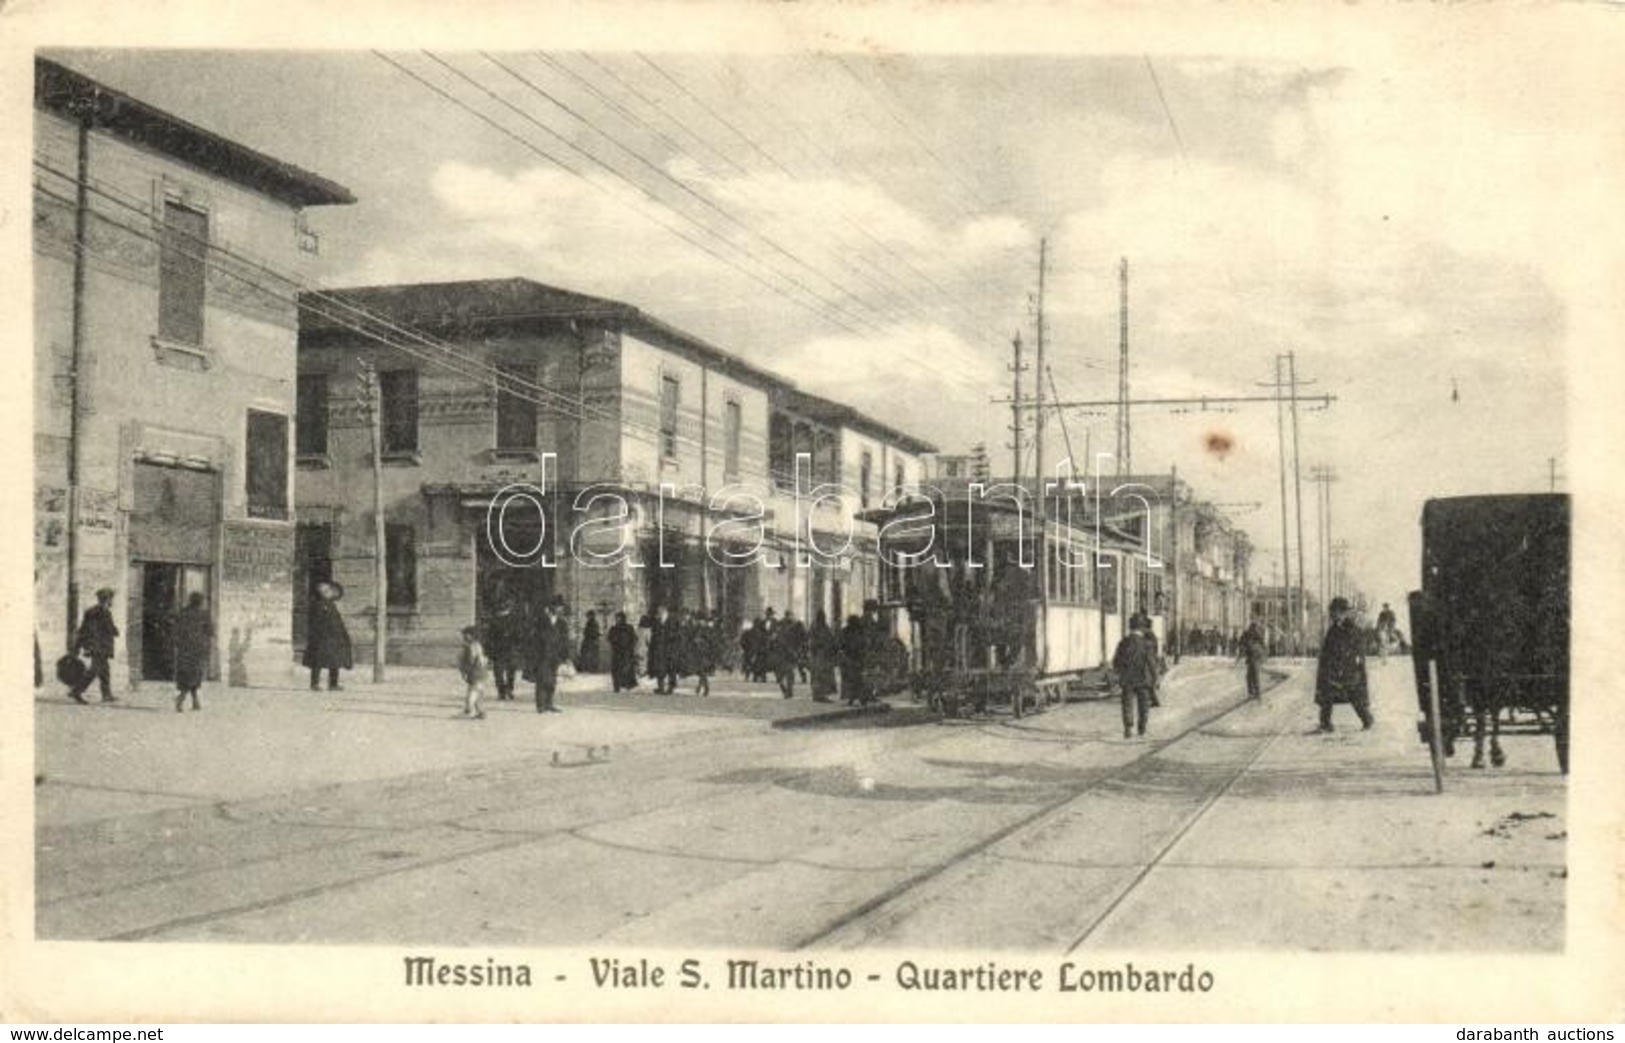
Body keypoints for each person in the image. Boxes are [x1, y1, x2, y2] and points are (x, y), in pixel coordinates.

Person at [1315, 596, 1373, 732]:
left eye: (1334, 612)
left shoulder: (1352, 629)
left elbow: (1355, 651)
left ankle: (1367, 719)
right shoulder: (1333, 629)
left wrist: (1344, 667)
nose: (1331, 614)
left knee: (1353, 695)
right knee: (1327, 693)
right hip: (1334, 670)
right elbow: (1328, 649)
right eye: (1331, 612)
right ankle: (1325, 723)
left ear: (1342, 612)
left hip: (1349, 670)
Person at [67, 587, 120, 704]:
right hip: (100, 646)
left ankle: (106, 694)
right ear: (107, 599)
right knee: (94, 670)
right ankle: (76, 691)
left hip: (96, 645)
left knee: (105, 670)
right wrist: (115, 631)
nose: (112, 602)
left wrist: (79, 645)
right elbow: (107, 629)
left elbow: (83, 629)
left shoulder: (92, 611)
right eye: (111, 599)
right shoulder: (103, 612)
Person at [1112, 617, 1159, 738]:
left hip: (1127, 678)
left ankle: (1128, 728)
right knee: (1143, 704)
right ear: (1142, 628)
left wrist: (1119, 673)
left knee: (1127, 703)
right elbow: (1151, 663)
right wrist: (1155, 678)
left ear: (1130, 627)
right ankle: (1142, 727)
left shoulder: (1123, 642)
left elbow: (1116, 661)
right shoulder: (1146, 644)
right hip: (1143, 678)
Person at [302, 581, 352, 692]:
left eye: (329, 590)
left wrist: (343, 635)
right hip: (322, 638)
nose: (329, 593)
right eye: (325, 591)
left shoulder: (331, 604)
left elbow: (338, 622)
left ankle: (333, 684)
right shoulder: (318, 605)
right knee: (317, 662)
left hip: (334, 638)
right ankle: (314, 684)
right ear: (321, 593)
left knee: (335, 662)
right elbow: (315, 623)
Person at [172, 592, 211, 712]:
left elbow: (175, 630)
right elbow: (210, 631)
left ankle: (195, 701)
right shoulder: (204, 614)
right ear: (199, 601)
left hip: (184, 648)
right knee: (195, 674)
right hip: (198, 648)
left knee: (187, 674)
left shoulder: (182, 613)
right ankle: (181, 697)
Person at [529, 600, 570, 714]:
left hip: (555, 656)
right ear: (552, 609)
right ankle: (541, 706)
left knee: (552, 680)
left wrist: (566, 656)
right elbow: (534, 640)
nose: (561, 610)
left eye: (561, 608)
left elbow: (565, 640)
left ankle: (549, 704)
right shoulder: (540, 622)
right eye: (559, 608)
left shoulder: (562, 623)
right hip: (542, 656)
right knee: (541, 680)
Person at [485, 600, 523, 701]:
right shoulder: (498, 620)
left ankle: (505, 691)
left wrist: (489, 652)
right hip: (506, 650)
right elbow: (490, 637)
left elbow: (490, 637)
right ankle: (506, 690)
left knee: (502, 672)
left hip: (505, 649)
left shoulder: (511, 620)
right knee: (505, 672)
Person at [646, 605, 680, 694]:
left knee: (671, 669)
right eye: (658, 612)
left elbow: (677, 635)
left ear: (665, 612)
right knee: (659, 668)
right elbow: (654, 635)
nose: (659, 613)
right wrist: (652, 646)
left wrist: (674, 646)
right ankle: (660, 687)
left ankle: (671, 687)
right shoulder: (656, 622)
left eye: (661, 612)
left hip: (670, 649)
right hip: (659, 649)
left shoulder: (672, 621)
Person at [457, 625, 488, 720]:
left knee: (472, 693)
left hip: (475, 673)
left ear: (471, 635)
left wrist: (464, 669)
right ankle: (481, 712)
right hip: (479, 673)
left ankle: (469, 710)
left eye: (466, 634)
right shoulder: (475, 645)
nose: (464, 636)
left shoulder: (472, 646)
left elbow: (471, 659)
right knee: (478, 693)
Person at [840, 614, 870, 706]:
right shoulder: (857, 631)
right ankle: (857, 698)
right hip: (853, 658)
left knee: (854, 679)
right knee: (856, 679)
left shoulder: (848, 631)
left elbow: (842, 644)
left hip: (852, 658)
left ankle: (854, 698)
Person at [809, 610, 839, 702]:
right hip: (821, 654)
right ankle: (820, 695)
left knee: (818, 675)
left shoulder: (815, 626)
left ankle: (817, 694)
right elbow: (829, 639)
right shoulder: (821, 627)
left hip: (818, 654)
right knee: (821, 675)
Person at [608, 611, 639, 692]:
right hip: (618, 652)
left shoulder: (628, 628)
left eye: (619, 618)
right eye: (617, 618)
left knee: (626, 669)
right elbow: (610, 638)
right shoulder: (614, 628)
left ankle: (627, 685)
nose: (618, 620)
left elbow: (634, 639)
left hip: (626, 652)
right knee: (617, 669)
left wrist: (631, 647)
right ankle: (617, 686)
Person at [774, 610, 802, 699]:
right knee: (782, 673)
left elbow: (800, 638)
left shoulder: (795, 625)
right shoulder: (782, 624)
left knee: (788, 673)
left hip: (787, 653)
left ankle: (788, 691)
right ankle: (786, 689)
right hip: (784, 652)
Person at [1238, 620, 1268, 699]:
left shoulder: (1252, 636)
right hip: (1253, 657)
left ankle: (1255, 693)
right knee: (1250, 676)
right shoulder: (1251, 636)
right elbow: (1243, 646)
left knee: (1252, 675)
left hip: (1255, 657)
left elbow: (1244, 646)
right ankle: (1254, 692)